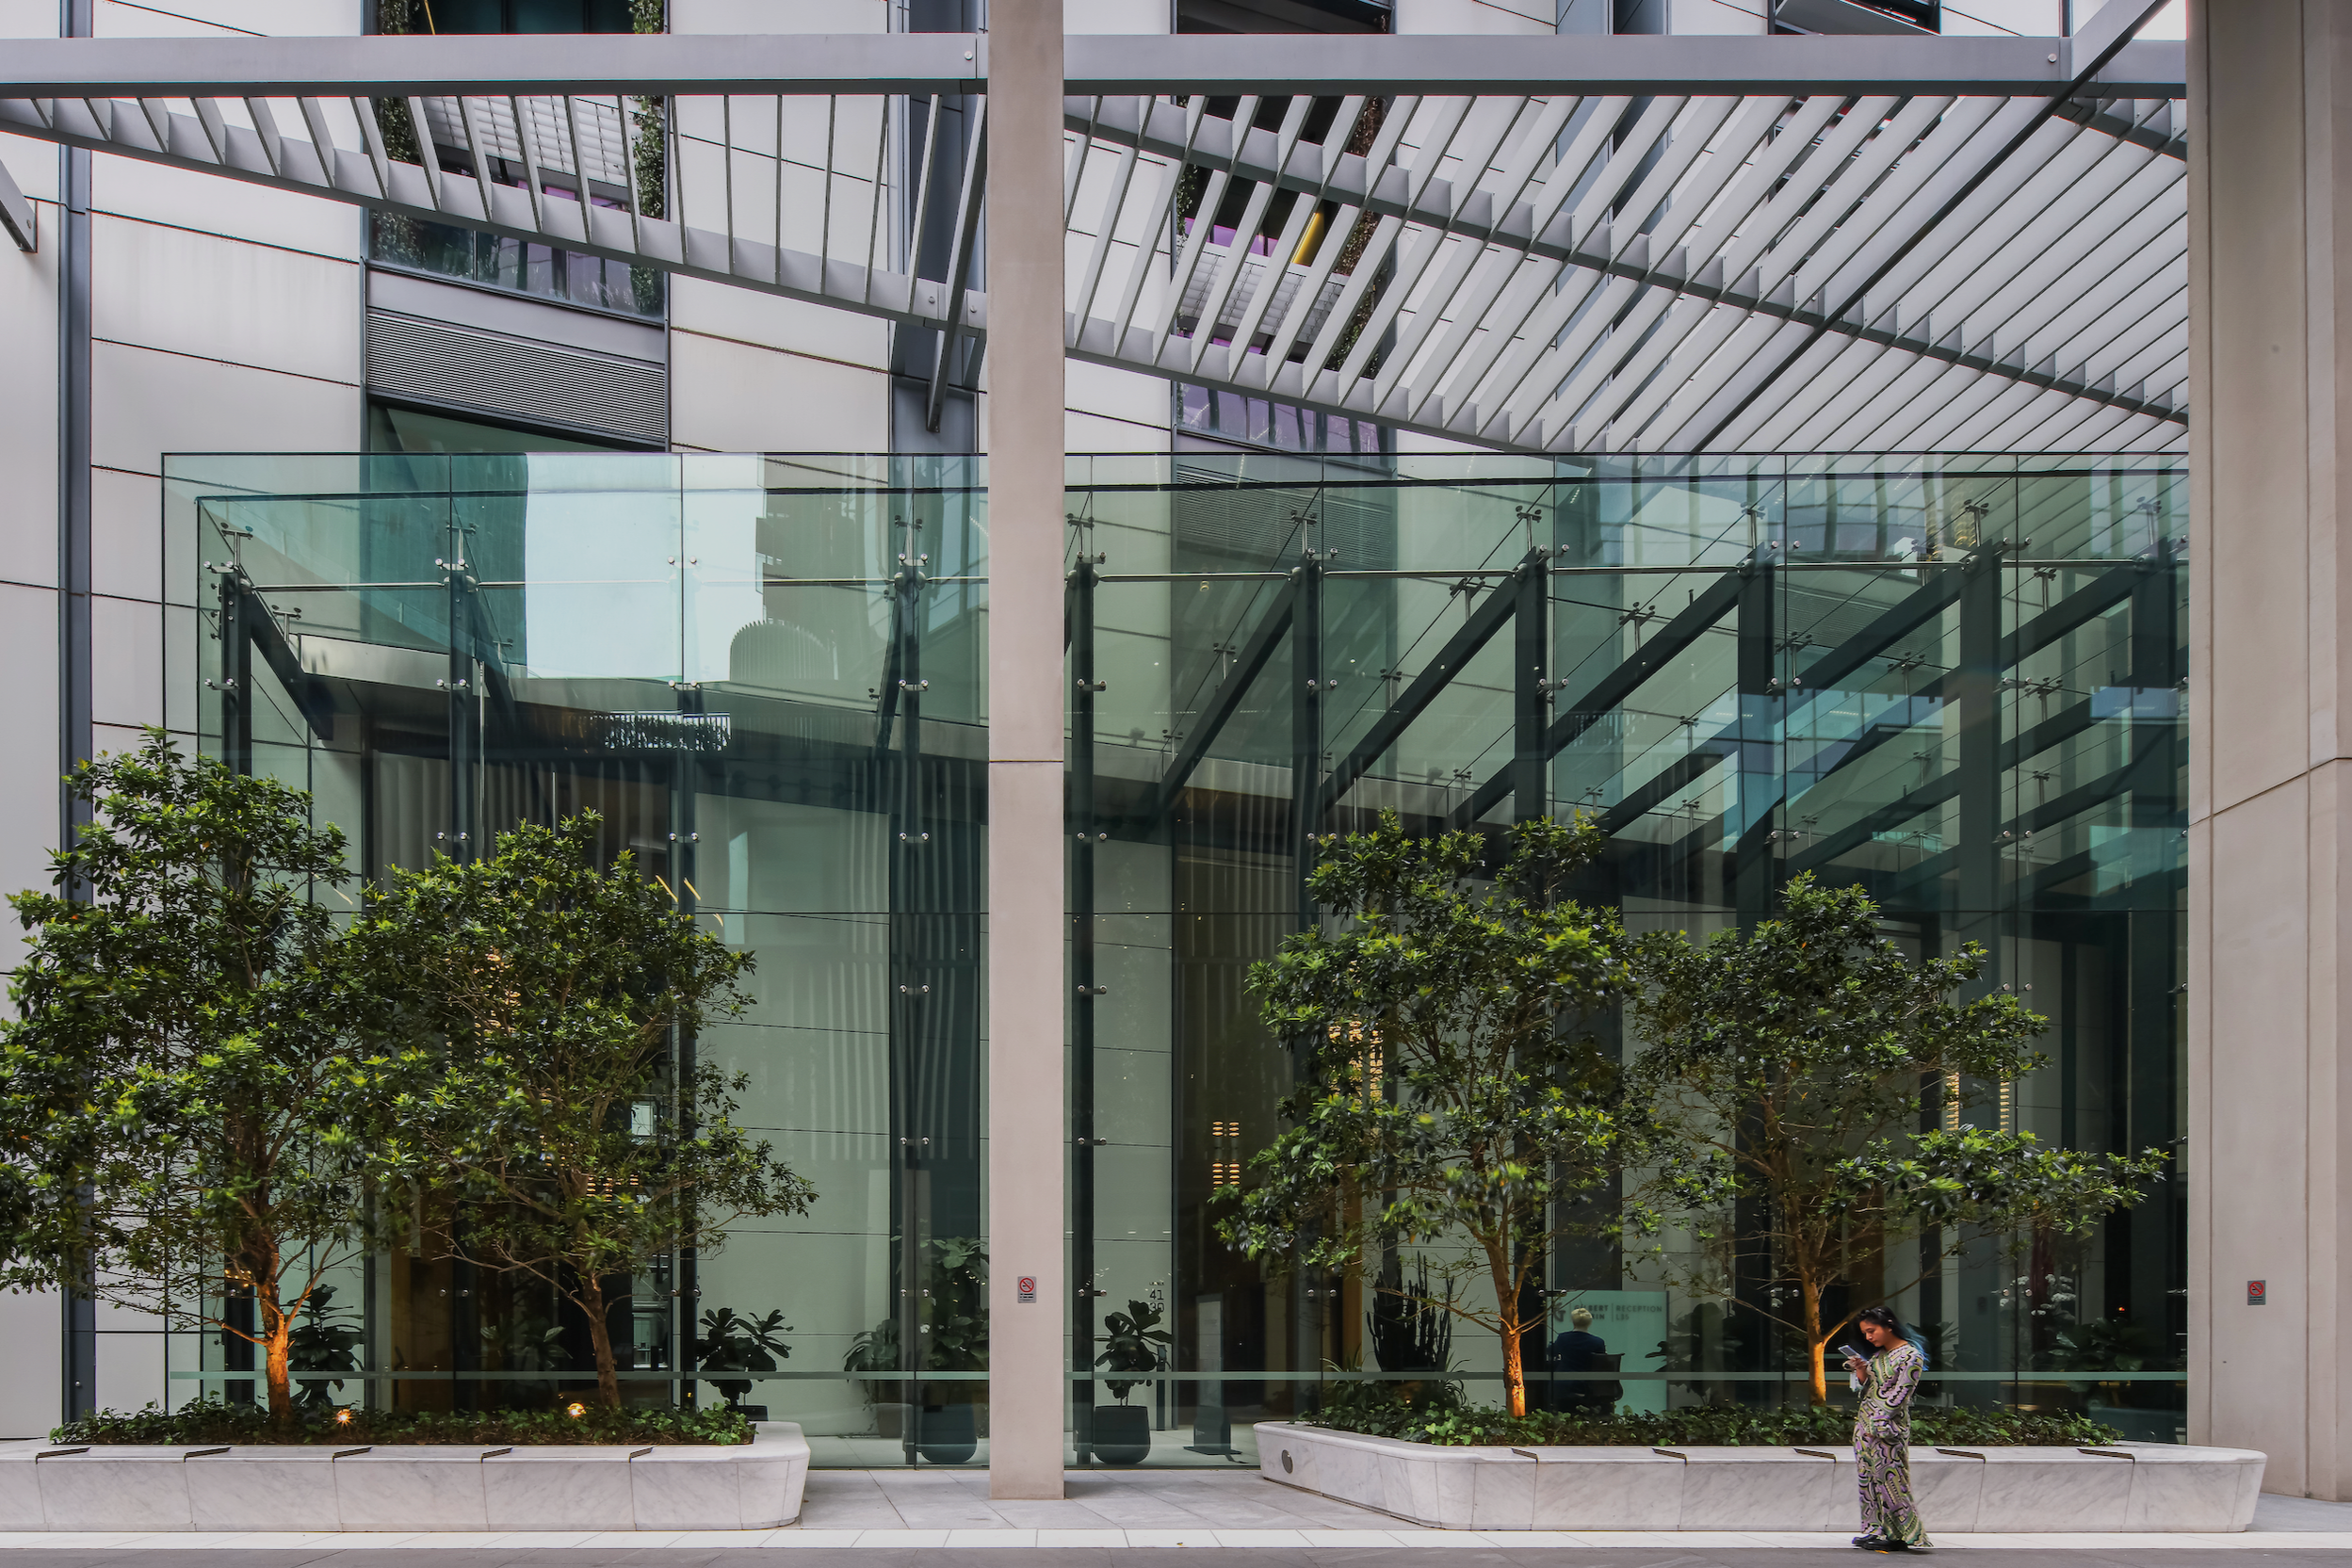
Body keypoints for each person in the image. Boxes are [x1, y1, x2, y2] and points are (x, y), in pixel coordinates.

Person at [1844, 1305, 1932, 1553]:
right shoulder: (1879, 1356)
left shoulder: (1910, 1355)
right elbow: (1868, 1389)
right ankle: (1874, 1529)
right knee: (1868, 1480)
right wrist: (1861, 1370)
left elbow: (1900, 1395)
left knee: (1891, 1480)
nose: (1869, 1337)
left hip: (1887, 1428)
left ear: (1888, 1325)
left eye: (1872, 1331)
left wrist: (1879, 1422)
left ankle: (1903, 1534)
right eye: (1865, 1333)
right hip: (1865, 1425)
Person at [1549, 1306, 1608, 1411]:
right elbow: (1602, 1364)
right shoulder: (1597, 1342)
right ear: (1589, 1323)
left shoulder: (1563, 1338)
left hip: (1562, 1385)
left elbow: (1551, 1352)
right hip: (1586, 1386)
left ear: (1573, 1322)